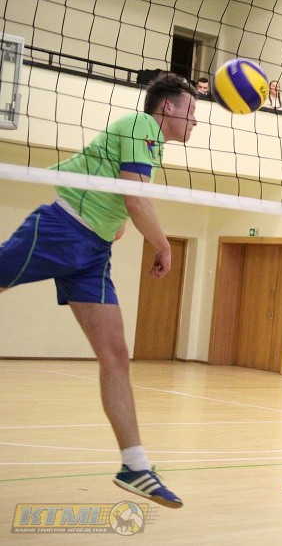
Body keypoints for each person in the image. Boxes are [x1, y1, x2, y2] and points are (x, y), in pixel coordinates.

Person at [0, 72, 198, 508]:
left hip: (92, 253)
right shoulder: (142, 125)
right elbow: (134, 198)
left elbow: (124, 195)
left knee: (116, 356)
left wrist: (115, 225)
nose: (195, 121)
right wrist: (163, 244)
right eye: (191, 111)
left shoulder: (153, 144)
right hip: (61, 229)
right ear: (167, 107)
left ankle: (135, 466)